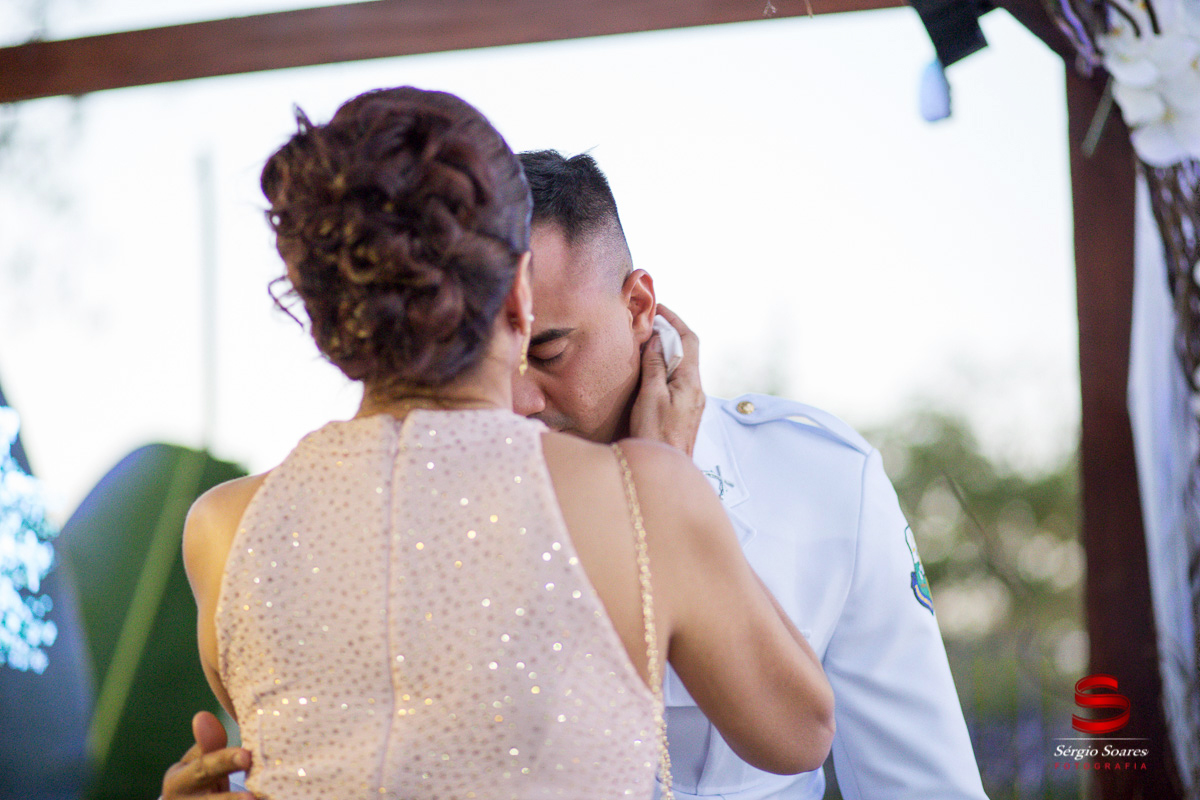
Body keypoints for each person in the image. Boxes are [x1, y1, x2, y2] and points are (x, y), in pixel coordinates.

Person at [173, 88, 834, 800]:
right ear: (519, 295)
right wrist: (668, 483)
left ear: (327, 326)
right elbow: (797, 732)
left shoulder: (223, 530)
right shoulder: (646, 500)